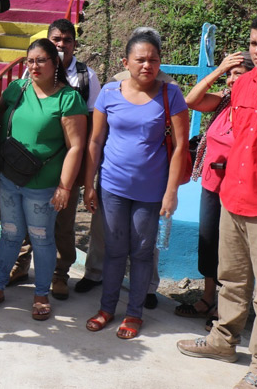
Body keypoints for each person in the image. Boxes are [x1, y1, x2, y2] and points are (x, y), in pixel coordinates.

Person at [178, 14, 257, 389]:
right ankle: (222, 341)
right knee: (231, 281)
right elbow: (198, 103)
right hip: (232, 198)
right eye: (253, 43)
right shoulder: (245, 85)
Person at [83, 30, 188, 339]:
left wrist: (171, 193)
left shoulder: (171, 95)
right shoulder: (109, 92)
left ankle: (134, 314)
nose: (147, 65)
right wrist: (89, 185)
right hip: (112, 186)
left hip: (151, 190)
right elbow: (96, 140)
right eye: (140, 60)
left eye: (153, 60)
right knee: (115, 250)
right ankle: (106, 308)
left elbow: (181, 146)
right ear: (125, 62)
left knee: (141, 253)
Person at [0, 39, 87, 320]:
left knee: (41, 239)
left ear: (55, 64)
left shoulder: (68, 99)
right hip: (9, 178)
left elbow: (76, 146)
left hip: (43, 186)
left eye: (41, 60)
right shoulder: (17, 88)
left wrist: (64, 186)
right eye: (30, 61)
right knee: (10, 234)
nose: (34, 66)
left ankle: (41, 293)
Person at [8, 18, 101, 302]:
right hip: (30, 166)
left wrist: (85, 173)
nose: (62, 45)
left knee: (63, 223)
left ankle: (60, 274)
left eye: (67, 40)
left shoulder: (87, 77)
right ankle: (21, 264)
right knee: (26, 218)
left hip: (66, 167)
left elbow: (94, 126)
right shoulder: (30, 73)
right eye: (56, 40)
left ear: (74, 44)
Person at [176, 51, 254, 331]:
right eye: (230, 73)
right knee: (208, 244)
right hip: (212, 184)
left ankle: (225, 307)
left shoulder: (256, 107)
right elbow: (191, 100)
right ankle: (208, 298)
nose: (233, 79)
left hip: (239, 189)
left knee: (231, 251)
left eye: (238, 72)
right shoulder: (223, 102)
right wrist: (220, 70)